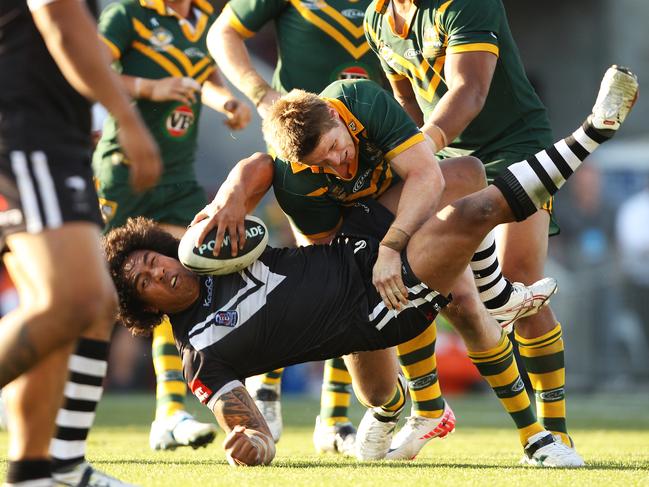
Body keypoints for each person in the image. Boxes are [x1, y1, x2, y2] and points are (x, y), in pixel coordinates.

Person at [104, 64, 638, 467]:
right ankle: (403, 404)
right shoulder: (199, 353)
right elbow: (240, 419)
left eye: (152, 259)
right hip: (371, 312)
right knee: (381, 391)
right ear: (142, 306)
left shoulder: (217, 250)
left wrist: (229, 196)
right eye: (144, 283)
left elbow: (258, 166)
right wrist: (255, 441)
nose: (159, 274)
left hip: (369, 253)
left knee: (471, 192)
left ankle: (593, 130)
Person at [208, 0, 550, 453]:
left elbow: (427, 171)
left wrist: (393, 246)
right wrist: (235, 181)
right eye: (322, 162)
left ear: (337, 118)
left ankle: (537, 436)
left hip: (402, 197)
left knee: (462, 290)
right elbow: (316, 243)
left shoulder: (362, 98)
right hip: (346, 231)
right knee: (373, 370)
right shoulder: (296, 178)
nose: (338, 161)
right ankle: (380, 408)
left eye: (336, 147)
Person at [363, 0, 607, 456]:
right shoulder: (376, 18)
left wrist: (420, 150)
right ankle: (427, 408)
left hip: (514, 146)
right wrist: (410, 155)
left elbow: (469, 92)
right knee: (431, 284)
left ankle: (556, 432)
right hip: (448, 156)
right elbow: (406, 99)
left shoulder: (467, 3)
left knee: (520, 287)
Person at [49, 0, 252, 463]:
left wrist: (225, 101)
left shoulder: (203, 18)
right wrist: (150, 87)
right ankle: (44, 394)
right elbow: (87, 69)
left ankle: (169, 413)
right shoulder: (127, 14)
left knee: (178, 283)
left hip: (178, 178)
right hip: (125, 172)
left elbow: (202, 77)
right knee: (97, 295)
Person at [207, 0, 393, 451]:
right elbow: (221, 34)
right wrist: (261, 95)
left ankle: (333, 416)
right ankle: (271, 386)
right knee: (323, 270)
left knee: (356, 275)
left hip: (371, 150)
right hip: (304, 159)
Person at [0, 0, 162, 485]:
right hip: (27, 132)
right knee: (76, 300)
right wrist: (127, 120)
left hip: (51, 135)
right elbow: (60, 17)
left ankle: (42, 470)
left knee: (90, 308)